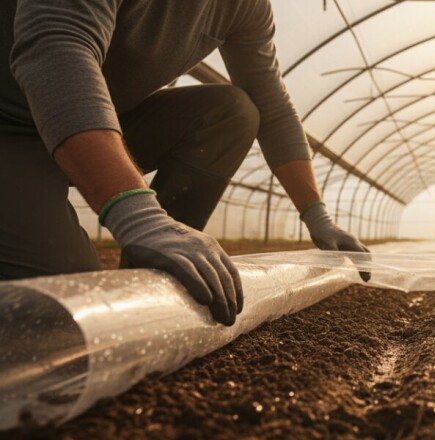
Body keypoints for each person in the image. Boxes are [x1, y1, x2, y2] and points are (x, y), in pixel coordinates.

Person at [0, 0, 369, 326]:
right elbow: (56, 47)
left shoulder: (246, 6)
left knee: (232, 112)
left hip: (102, 121)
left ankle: (152, 275)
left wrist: (317, 216)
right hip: (12, 128)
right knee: (67, 311)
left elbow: (272, 108)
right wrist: (138, 217)